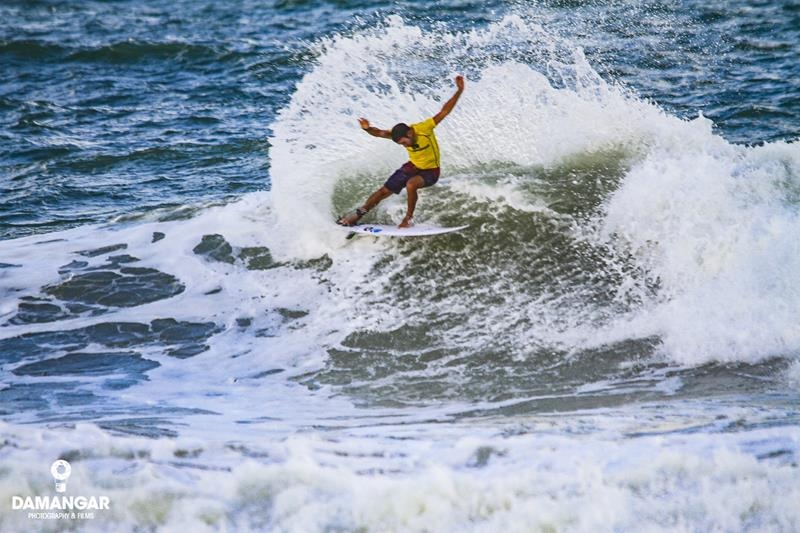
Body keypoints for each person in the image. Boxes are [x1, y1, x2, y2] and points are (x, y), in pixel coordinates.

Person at [337, 75, 465, 228]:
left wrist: (459, 90)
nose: (404, 146)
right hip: (413, 166)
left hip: (431, 171)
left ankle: (408, 219)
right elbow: (379, 133)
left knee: (411, 184)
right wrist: (367, 129)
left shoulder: (425, 128)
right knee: (383, 191)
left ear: (410, 133)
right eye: (401, 144)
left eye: (404, 142)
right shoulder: (397, 134)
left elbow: (444, 111)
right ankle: (358, 215)